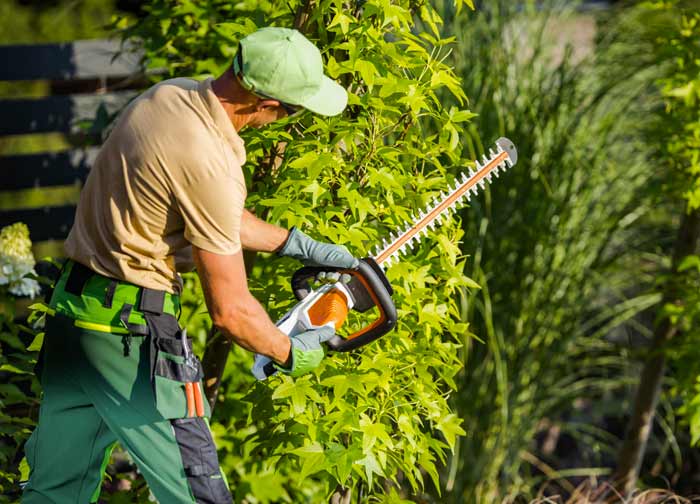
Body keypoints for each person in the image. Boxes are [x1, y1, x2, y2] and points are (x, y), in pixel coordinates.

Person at [22, 27, 357, 503]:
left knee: (53, 494)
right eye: (291, 110)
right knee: (199, 496)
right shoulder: (210, 160)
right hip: (130, 344)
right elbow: (232, 312)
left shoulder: (170, 98)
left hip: (74, 322)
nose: (285, 120)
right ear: (263, 102)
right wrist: (291, 352)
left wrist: (299, 245)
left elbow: (208, 209)